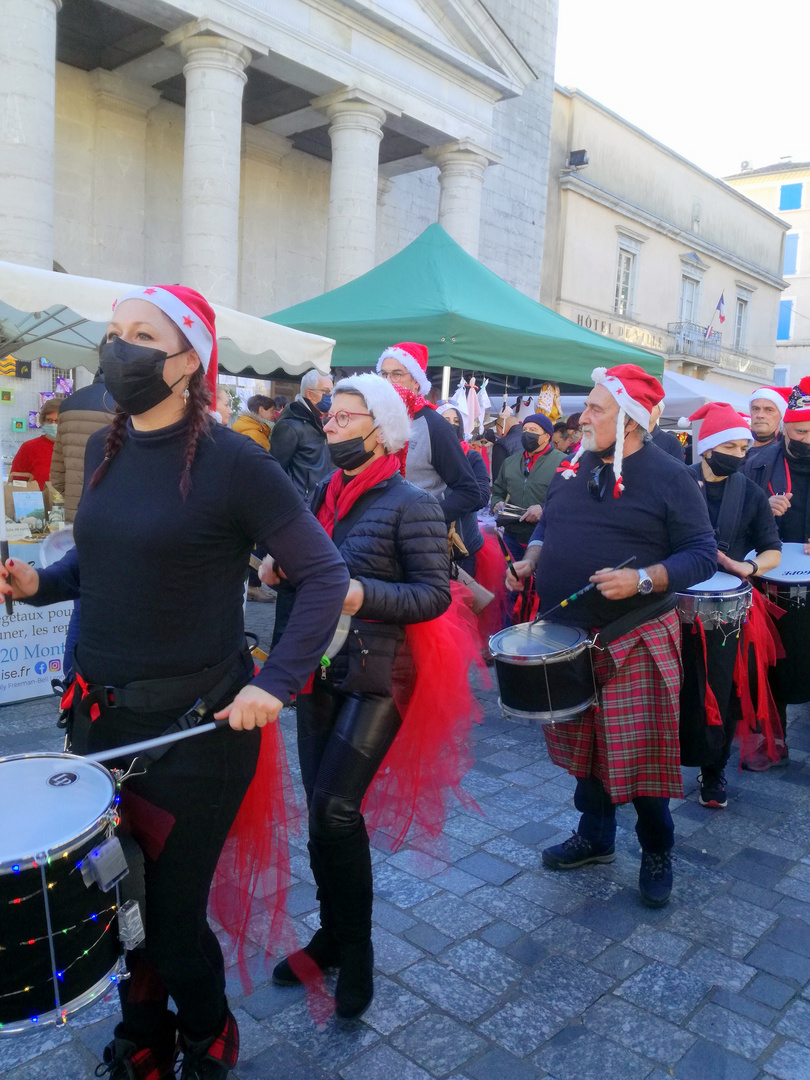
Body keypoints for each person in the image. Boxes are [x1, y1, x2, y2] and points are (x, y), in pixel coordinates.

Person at [1, 284, 348, 1080]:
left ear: (189, 361)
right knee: (110, 895)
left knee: (168, 913)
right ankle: (144, 1026)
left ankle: (207, 1028)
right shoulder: (106, 448)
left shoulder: (237, 462)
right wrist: (37, 584)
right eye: (114, 332)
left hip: (198, 734)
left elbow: (324, 576)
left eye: (142, 335)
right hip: (98, 723)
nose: (118, 348)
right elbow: (98, 560)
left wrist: (279, 682)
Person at [265, 374, 478, 1020]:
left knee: (336, 808)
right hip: (319, 668)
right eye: (329, 417)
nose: (329, 426)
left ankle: (354, 951)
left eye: (343, 419)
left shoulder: (410, 501)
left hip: (381, 669)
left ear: (380, 432)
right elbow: (310, 571)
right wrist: (280, 570)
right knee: (317, 807)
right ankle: (330, 934)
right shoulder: (322, 491)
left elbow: (434, 594)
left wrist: (362, 595)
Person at [508, 364, 716, 908]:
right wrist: (532, 557)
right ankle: (596, 837)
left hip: (636, 636)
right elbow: (549, 524)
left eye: (597, 409)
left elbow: (700, 554)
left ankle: (656, 849)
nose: (583, 418)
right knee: (586, 747)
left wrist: (643, 578)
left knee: (642, 752)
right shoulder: (573, 465)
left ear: (628, 420)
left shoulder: (672, 476)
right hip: (569, 632)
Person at [678, 404, 782, 808]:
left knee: (722, 692)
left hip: (729, 611)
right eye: (732, 446)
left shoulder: (751, 493)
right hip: (674, 602)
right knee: (677, 688)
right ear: (707, 448)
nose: (741, 454)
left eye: (743, 447)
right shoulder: (679, 483)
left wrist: (747, 566)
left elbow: (772, 549)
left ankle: (713, 771)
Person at [742, 376, 810, 737]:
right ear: (785, 427)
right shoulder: (754, 463)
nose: (806, 441)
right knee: (772, 663)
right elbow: (731, 524)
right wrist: (761, 509)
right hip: (770, 583)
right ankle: (773, 737)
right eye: (798, 433)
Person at [375, 343, 480, 528]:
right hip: (376, 531)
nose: (388, 381)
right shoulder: (373, 419)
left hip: (418, 539)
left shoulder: (435, 426)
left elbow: (469, 492)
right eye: (384, 374)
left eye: (397, 374)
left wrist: (426, 517)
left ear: (416, 382)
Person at [269, 369, 335, 644]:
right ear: (311, 394)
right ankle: (280, 654)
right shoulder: (292, 424)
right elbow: (274, 472)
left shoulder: (318, 421)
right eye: (327, 393)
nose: (331, 398)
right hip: (297, 516)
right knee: (289, 590)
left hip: (318, 511)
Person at [491, 414, 565, 563]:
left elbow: (569, 499)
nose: (527, 433)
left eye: (533, 430)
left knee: (539, 584)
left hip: (545, 536)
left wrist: (544, 509)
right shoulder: (510, 462)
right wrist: (496, 503)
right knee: (514, 580)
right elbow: (498, 492)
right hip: (512, 535)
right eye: (525, 429)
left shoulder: (562, 462)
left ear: (546, 436)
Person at [50, 368, 116, 522]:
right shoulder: (127, 404)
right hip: (112, 515)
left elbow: (57, 476)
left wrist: (75, 497)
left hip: (75, 517)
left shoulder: (68, 403)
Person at [436, 403, 491, 571]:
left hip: (463, 544)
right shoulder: (425, 455)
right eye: (446, 419)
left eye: (456, 421)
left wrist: (437, 511)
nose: (452, 424)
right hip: (428, 545)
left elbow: (482, 496)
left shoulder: (471, 456)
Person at [10, 399, 61, 490]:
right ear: (43, 421)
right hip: (37, 502)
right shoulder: (29, 448)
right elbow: (16, 483)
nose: (53, 424)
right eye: (49, 420)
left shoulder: (72, 449)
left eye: (57, 421)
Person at [748, 385, 788, 453]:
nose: (760, 415)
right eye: (755, 409)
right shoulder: (736, 445)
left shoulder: (788, 451)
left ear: (781, 415)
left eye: (769, 410)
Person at [490, 414, 523, 480]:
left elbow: (498, 478)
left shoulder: (501, 445)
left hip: (511, 487)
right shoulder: (532, 439)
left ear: (500, 429)